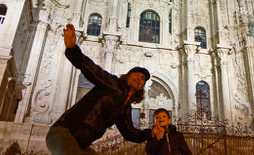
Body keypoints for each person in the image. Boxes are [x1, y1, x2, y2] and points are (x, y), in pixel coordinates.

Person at [46, 24, 165, 154]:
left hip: (82, 144)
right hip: (65, 131)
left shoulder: (125, 109)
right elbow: (91, 69)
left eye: (142, 78)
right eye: (135, 74)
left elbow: (129, 133)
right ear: (127, 77)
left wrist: (150, 133)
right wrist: (72, 49)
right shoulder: (112, 83)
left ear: (142, 86)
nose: (138, 78)